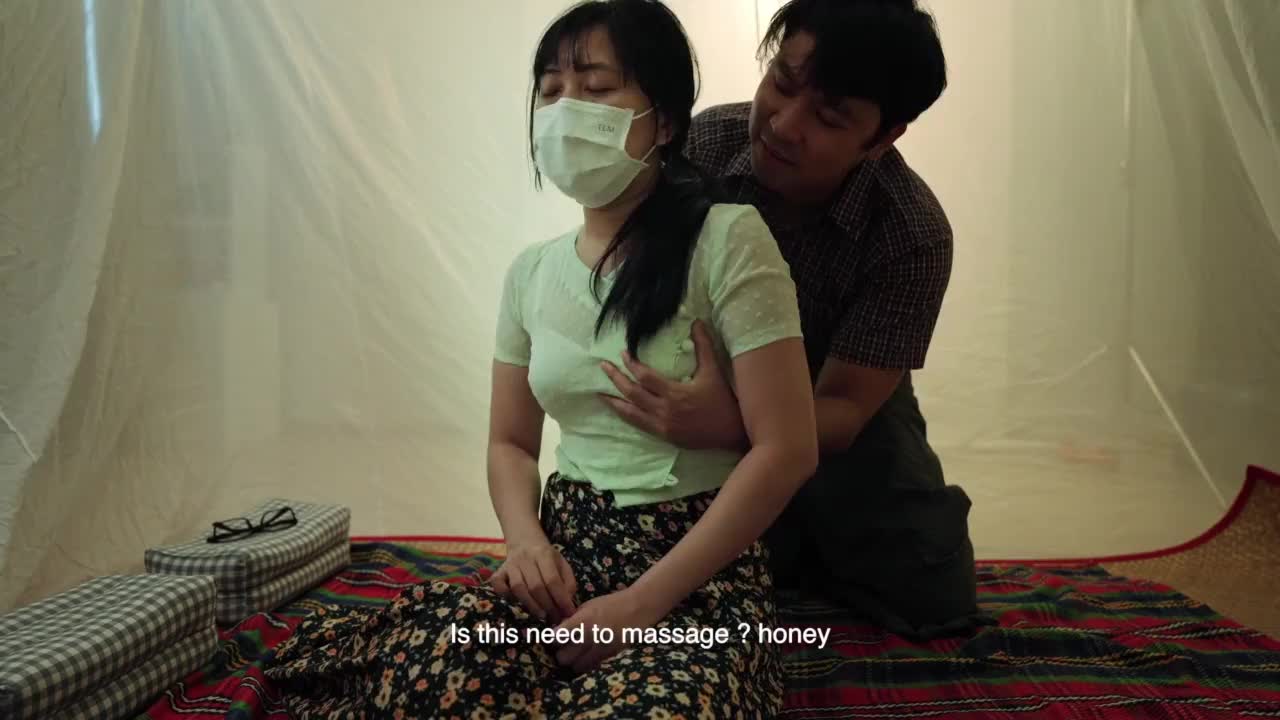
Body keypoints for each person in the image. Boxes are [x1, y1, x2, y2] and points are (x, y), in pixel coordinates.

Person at [263, 1, 818, 717]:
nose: (565, 110)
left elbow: (787, 449)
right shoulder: (531, 273)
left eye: (596, 86)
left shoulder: (729, 239)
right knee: (440, 671)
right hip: (564, 558)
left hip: (695, 577)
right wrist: (524, 544)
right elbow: (511, 442)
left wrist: (641, 604)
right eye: (551, 91)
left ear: (665, 121)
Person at [597, 0, 991, 639]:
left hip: (828, 401)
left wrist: (734, 423)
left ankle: (805, 541)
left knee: (933, 593)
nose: (783, 125)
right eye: (781, 82)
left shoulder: (913, 233)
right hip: (703, 371)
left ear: (883, 138)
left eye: (828, 118)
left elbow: (846, 407)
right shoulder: (701, 146)